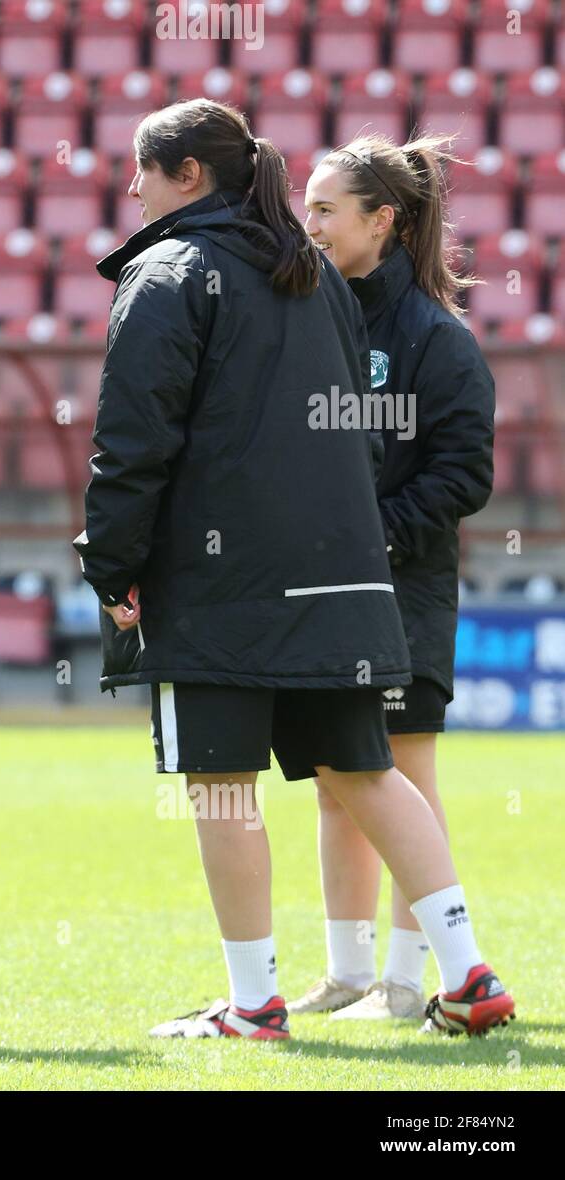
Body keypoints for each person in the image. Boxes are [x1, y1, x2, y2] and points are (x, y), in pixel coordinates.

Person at [74, 99, 514, 1039]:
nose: (131, 191)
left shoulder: (169, 270)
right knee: (365, 769)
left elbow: (132, 441)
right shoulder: (316, 277)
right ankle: (466, 971)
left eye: (141, 172)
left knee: (223, 784)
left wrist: (111, 568)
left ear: (187, 175)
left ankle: (254, 1004)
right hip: (341, 580)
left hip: (220, 584)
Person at [290, 135, 496, 1022]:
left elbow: (463, 478)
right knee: (338, 775)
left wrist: (368, 541)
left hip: (401, 592)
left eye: (329, 208)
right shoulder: (305, 314)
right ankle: (348, 972)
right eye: (309, 205)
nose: (312, 222)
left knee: (400, 775)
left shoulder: (436, 339)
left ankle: (412, 983)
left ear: (385, 220)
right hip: (322, 594)